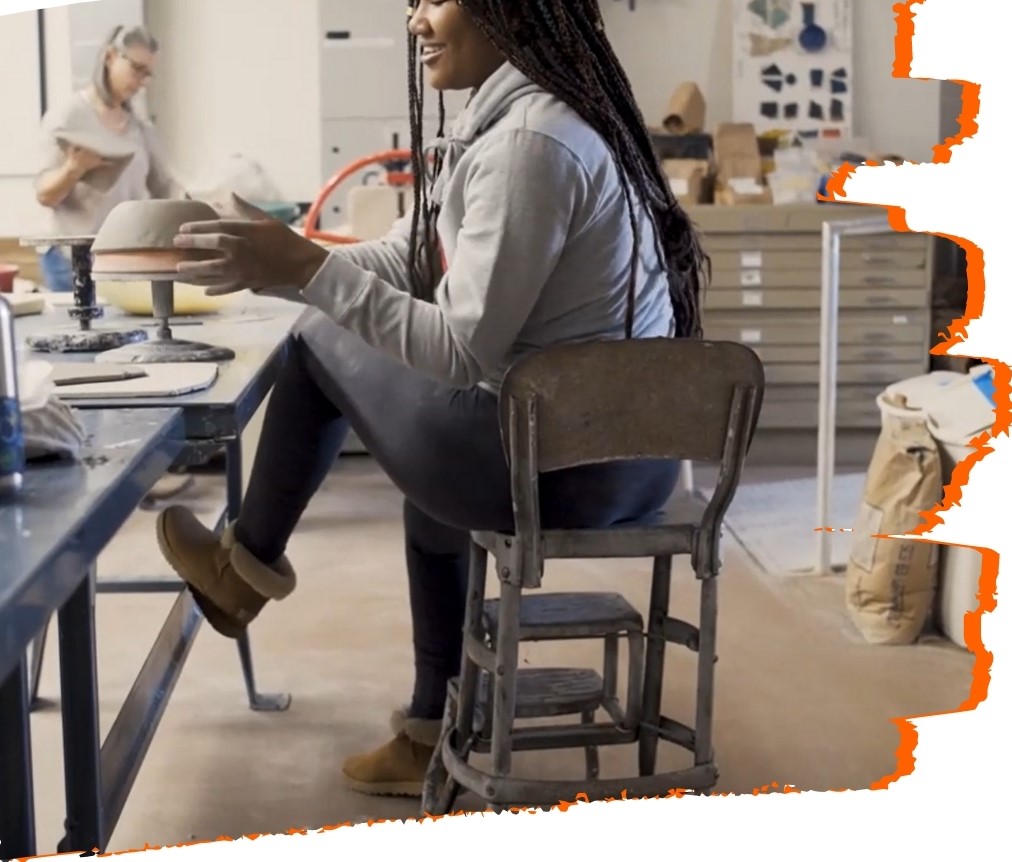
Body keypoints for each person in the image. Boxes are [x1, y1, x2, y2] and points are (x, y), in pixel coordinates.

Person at [158, 0, 709, 798]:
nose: (415, 21)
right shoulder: (527, 122)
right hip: (621, 456)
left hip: (566, 468)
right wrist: (286, 261)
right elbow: (411, 256)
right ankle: (429, 728)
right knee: (429, 482)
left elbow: (459, 350)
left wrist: (307, 276)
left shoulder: (531, 145)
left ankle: (242, 566)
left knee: (317, 342)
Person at [34, 25, 183, 293]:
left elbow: (165, 187)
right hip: (70, 260)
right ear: (110, 57)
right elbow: (45, 195)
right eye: (137, 69)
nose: (142, 81)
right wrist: (74, 168)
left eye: (148, 74)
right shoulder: (67, 116)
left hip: (122, 260)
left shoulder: (139, 127)